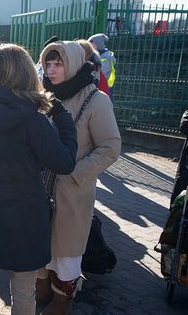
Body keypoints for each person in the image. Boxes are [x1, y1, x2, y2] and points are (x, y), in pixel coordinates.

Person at [0, 44, 77, 315]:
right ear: (25, 74)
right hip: (27, 219)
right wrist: (63, 118)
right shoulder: (34, 122)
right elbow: (65, 162)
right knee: (24, 291)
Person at [38, 40, 121, 314]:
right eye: (48, 63)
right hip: (38, 189)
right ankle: (40, 294)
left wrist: (74, 173)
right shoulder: (43, 96)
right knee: (39, 247)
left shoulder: (95, 100)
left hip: (71, 192)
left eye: (58, 64)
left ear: (72, 64)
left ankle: (62, 302)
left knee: (65, 253)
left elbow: (110, 148)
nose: (51, 70)